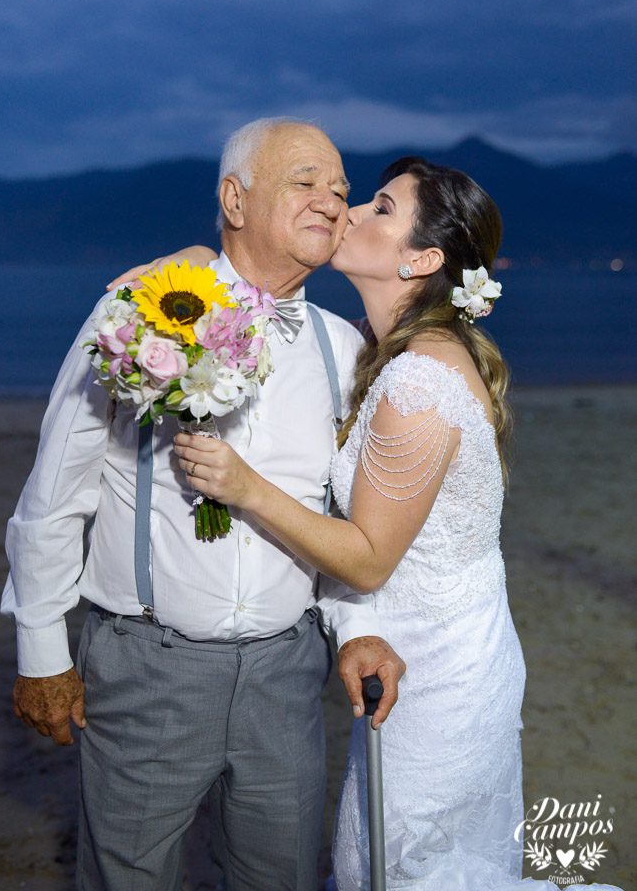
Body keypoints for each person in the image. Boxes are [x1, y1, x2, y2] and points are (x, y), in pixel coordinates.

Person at [147, 156, 623, 890]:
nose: (351, 213)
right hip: (421, 651)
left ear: (422, 260)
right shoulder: (387, 351)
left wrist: (247, 489)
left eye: (380, 208)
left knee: (404, 871)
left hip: (438, 674)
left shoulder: (420, 379)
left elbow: (369, 560)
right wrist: (195, 265)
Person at [2, 118, 406, 891]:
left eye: (341, 190)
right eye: (305, 182)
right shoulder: (136, 314)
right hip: (147, 670)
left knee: (281, 876)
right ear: (234, 199)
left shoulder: (342, 348)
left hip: (287, 676)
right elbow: (56, 492)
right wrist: (41, 650)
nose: (331, 201)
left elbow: (340, 515)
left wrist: (356, 627)